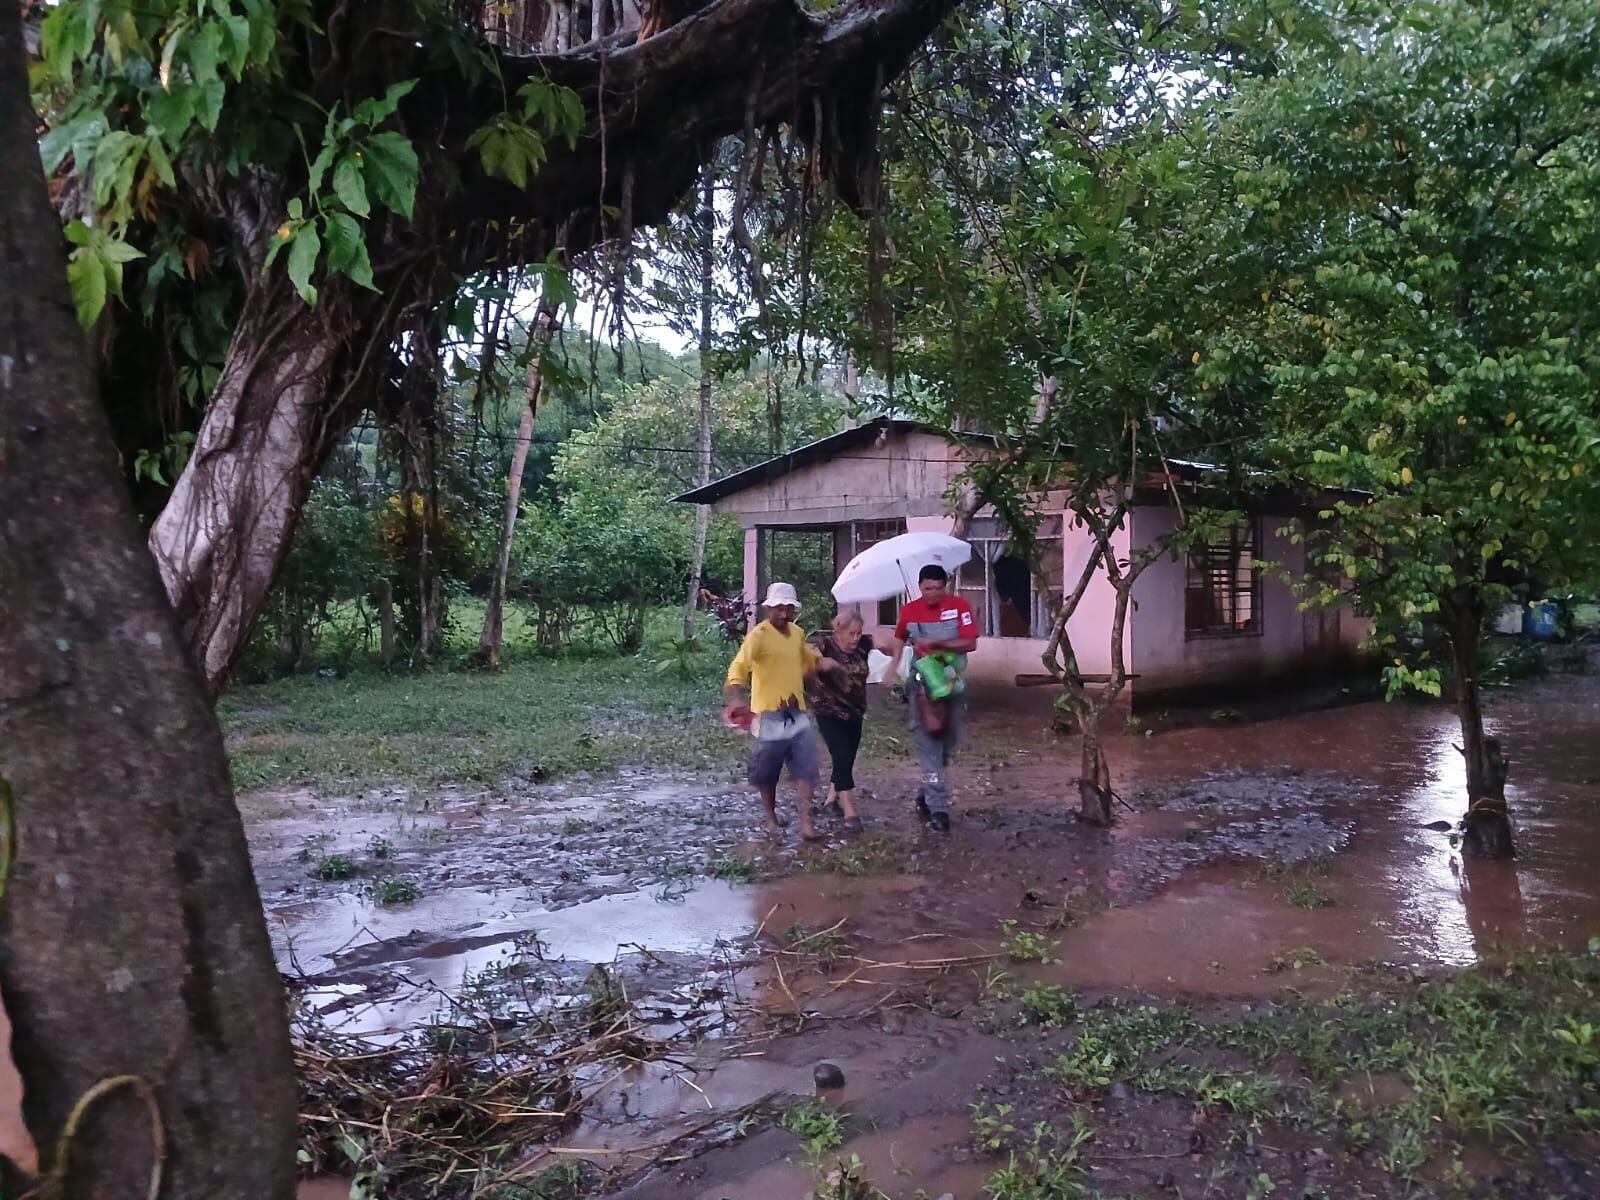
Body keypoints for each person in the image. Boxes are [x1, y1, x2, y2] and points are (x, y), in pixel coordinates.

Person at [723, 581, 841, 841]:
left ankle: (807, 822)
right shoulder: (759, 635)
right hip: (767, 714)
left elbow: (806, 659)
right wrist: (735, 697)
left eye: (788, 609)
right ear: (769, 608)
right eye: (778, 609)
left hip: (796, 711)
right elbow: (738, 668)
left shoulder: (797, 634)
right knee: (767, 771)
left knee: (806, 767)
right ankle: (771, 818)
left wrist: (823, 663)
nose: (783, 614)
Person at [884, 564, 978, 833]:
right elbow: (899, 639)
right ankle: (939, 810)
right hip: (921, 687)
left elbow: (970, 643)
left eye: (938, 588)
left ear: (945, 585)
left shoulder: (959, 607)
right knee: (929, 743)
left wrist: (939, 645)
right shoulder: (909, 610)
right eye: (927, 589)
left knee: (948, 744)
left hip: (952, 684)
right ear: (920, 587)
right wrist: (893, 666)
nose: (933, 594)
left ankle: (926, 793)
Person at [806, 610, 875, 836]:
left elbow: (891, 640)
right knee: (842, 754)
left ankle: (831, 799)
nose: (856, 638)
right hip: (828, 710)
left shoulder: (864, 644)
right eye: (851, 633)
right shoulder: (825, 646)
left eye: (859, 633)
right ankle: (849, 812)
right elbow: (806, 661)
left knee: (847, 757)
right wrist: (820, 663)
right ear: (839, 631)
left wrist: (895, 661)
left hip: (855, 711)